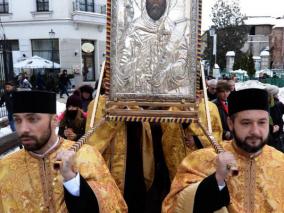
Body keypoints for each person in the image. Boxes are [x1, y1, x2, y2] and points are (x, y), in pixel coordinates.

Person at [0, 90, 127, 212]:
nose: (23, 129)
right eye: (17, 120)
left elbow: (113, 206)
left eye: (33, 119)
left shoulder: (86, 155)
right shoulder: (5, 168)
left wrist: (72, 179)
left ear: (54, 120)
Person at [162, 88, 284, 212]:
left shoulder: (281, 162)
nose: (255, 131)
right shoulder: (201, 160)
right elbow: (174, 206)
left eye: (262, 122)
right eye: (246, 123)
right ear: (230, 123)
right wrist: (217, 180)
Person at [114, 0, 190, 95]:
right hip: (136, 100)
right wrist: (137, 66)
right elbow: (121, 66)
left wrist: (166, 72)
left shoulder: (175, 35)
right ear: (144, 3)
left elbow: (183, 61)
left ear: (166, 3)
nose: (156, 3)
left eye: (160, 0)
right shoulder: (132, 31)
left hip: (166, 99)